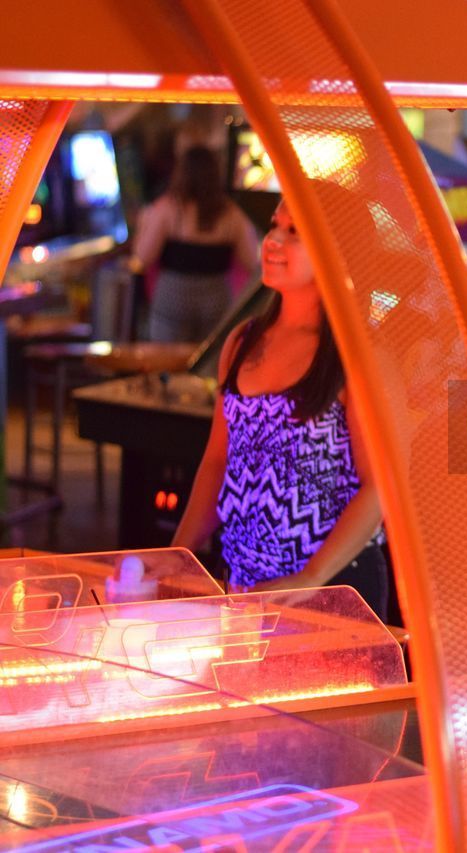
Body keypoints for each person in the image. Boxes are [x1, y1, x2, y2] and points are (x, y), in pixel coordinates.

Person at [172, 198, 388, 619]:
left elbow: (379, 489)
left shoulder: (358, 353)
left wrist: (310, 577)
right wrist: (179, 553)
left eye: (295, 232)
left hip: (335, 589)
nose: (272, 240)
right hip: (245, 588)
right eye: (275, 226)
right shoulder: (243, 340)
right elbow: (218, 462)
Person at [131, 145, 259, 342]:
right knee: (208, 367)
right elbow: (253, 264)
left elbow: (142, 259)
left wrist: (142, 225)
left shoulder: (168, 209)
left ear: (181, 174)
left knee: (167, 365)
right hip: (216, 300)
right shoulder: (233, 214)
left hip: (173, 299)